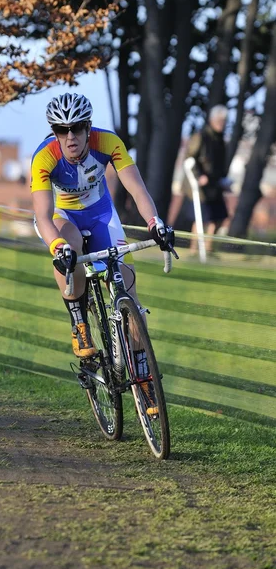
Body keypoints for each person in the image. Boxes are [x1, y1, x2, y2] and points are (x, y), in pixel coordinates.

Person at [30, 93, 174, 378]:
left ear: (88, 127)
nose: (70, 136)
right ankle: (80, 323)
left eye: (77, 127)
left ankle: (143, 374)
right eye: (61, 130)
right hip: (63, 217)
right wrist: (58, 247)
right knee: (69, 247)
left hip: (101, 216)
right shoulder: (44, 157)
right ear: (54, 132)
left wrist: (155, 222)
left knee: (128, 292)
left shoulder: (107, 142)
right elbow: (43, 216)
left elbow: (137, 189)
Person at [183, 104, 232, 253]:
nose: (221, 124)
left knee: (217, 217)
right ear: (212, 120)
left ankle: (208, 249)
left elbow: (221, 165)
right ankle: (193, 250)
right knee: (200, 219)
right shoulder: (201, 137)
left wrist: (224, 181)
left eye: (224, 121)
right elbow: (189, 158)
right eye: (219, 120)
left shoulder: (221, 140)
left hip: (215, 185)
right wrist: (198, 177)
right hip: (199, 186)